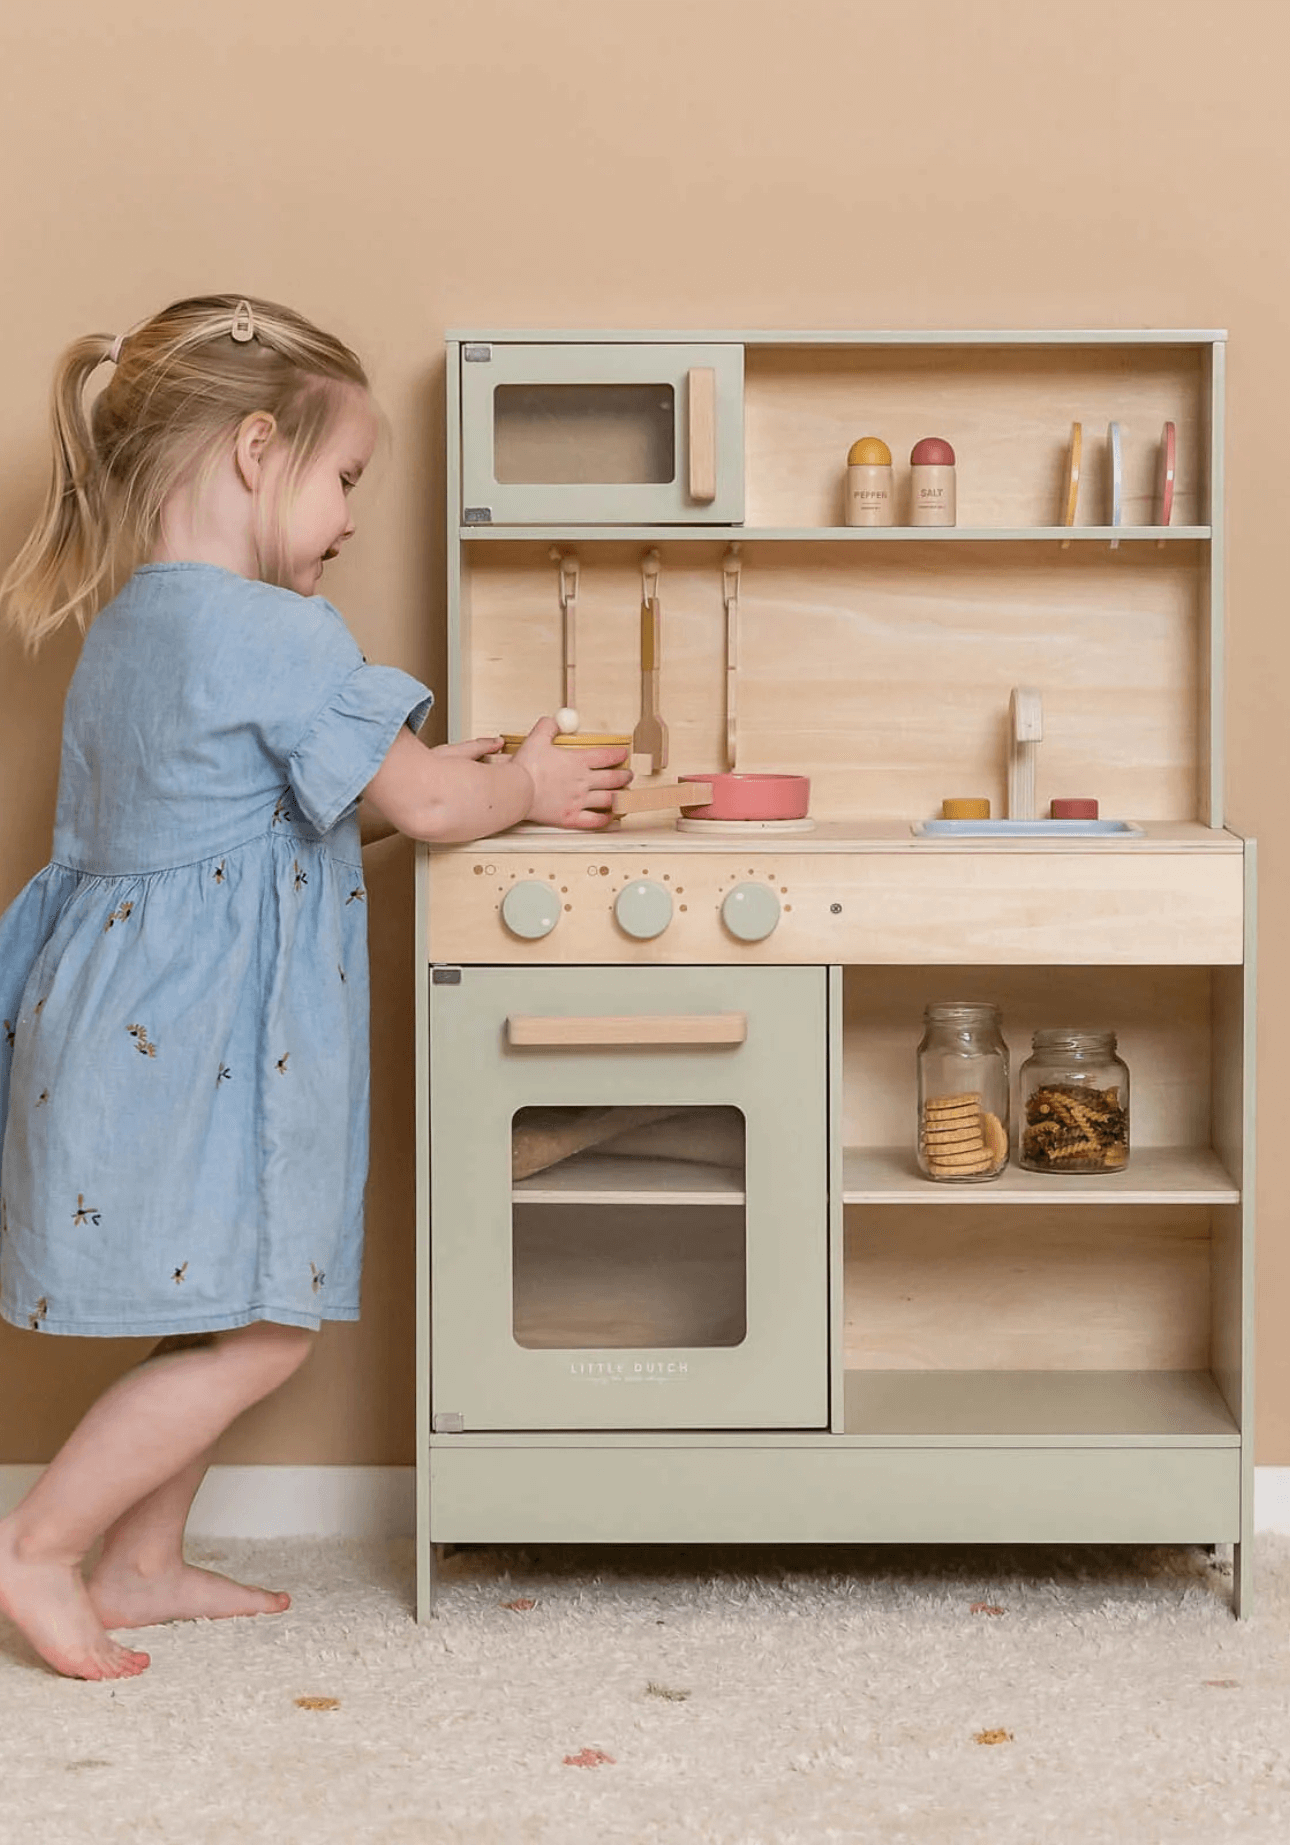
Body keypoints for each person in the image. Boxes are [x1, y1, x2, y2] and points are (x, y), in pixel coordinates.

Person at [0, 294, 631, 1681]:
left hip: (114, 1021)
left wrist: (437, 786)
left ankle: (143, 1563)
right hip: (210, 1039)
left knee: (209, 1299)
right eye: (344, 478)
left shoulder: (132, 629)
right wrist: (518, 783)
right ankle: (36, 1546)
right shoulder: (280, 635)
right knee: (268, 1327)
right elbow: (424, 803)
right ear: (254, 447)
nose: (350, 516)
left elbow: (263, 829)